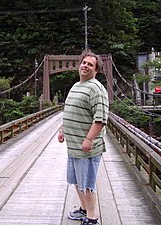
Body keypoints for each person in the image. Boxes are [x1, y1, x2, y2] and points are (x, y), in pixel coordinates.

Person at [58, 50, 109, 225]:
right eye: (84, 62)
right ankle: (83, 209)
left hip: (86, 148)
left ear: (96, 70)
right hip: (73, 147)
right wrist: (63, 128)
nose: (85, 66)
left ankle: (92, 218)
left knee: (87, 184)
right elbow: (71, 110)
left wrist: (89, 139)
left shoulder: (97, 89)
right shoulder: (76, 86)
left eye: (90, 64)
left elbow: (101, 119)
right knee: (76, 181)